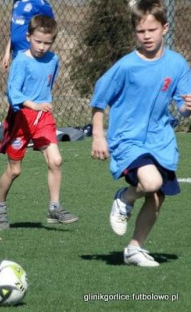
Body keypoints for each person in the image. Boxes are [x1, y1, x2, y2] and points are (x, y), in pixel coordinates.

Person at [90, 0, 191, 267]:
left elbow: (182, 108)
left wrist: (188, 107)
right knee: (151, 183)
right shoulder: (126, 66)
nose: (146, 36)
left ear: (164, 28)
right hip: (128, 138)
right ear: (134, 32)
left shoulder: (177, 64)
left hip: (160, 139)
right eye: (140, 31)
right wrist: (99, 135)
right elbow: (99, 98)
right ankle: (123, 198)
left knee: (158, 196)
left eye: (152, 30)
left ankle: (135, 249)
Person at [0, 15, 79, 230]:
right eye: (38, 41)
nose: (42, 47)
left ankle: (54, 208)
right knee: (14, 170)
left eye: (47, 43)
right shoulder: (20, 61)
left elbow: (47, 84)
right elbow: (13, 93)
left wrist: (43, 105)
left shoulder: (53, 60)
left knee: (56, 160)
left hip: (43, 118)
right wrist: (33, 105)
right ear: (28, 37)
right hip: (21, 118)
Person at [1, 0, 55, 71]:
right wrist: (7, 52)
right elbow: (14, 31)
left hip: (30, 54)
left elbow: (51, 26)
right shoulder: (17, 2)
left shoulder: (40, 4)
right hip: (16, 53)